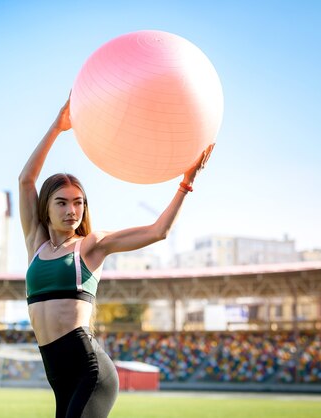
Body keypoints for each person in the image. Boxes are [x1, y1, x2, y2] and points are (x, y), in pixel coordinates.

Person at [19, 97, 214, 418]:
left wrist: (186, 184)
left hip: (90, 372)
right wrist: (57, 127)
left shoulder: (91, 245)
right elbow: (26, 180)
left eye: (79, 202)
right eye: (62, 202)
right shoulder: (35, 243)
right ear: (46, 207)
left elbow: (158, 231)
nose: (72, 210)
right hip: (59, 377)